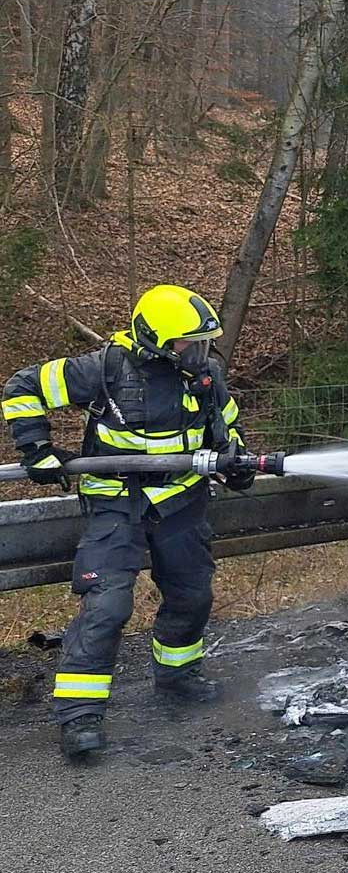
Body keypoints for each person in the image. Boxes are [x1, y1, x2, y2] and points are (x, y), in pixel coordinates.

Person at [1, 284, 253, 760]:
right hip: (115, 504)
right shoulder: (103, 369)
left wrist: (233, 457)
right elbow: (23, 387)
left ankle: (178, 677)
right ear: (155, 339)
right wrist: (37, 450)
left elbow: (227, 421)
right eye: (186, 343)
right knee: (107, 606)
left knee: (191, 594)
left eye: (200, 342)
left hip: (181, 504)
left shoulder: (203, 373)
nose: (197, 352)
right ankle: (80, 716)